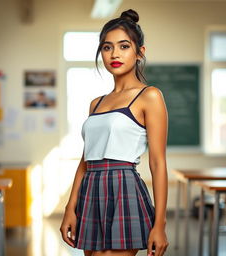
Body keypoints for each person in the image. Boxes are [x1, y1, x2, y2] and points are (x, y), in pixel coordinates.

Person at [60, 9, 169, 256]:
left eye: (124, 46)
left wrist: (160, 224)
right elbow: (85, 161)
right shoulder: (96, 103)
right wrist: (70, 207)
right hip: (91, 189)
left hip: (123, 187)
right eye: (107, 47)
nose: (115, 54)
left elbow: (158, 162)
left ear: (140, 52)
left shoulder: (149, 96)